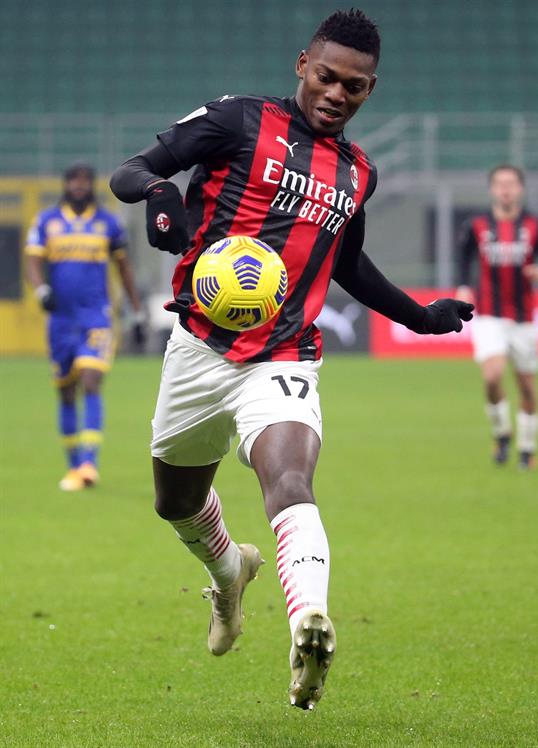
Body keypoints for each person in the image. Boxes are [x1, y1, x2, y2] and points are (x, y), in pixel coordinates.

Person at [109, 9, 473, 711]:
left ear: (371, 89)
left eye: (355, 87)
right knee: (174, 502)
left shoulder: (357, 172)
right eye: (328, 77)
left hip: (285, 354)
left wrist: (420, 316)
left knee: (289, 477)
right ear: (303, 63)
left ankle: (309, 616)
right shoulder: (236, 120)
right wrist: (158, 195)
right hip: (198, 350)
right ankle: (230, 572)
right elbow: (134, 170)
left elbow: (350, 264)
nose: (337, 94)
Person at [25, 162, 145, 491]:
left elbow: (125, 269)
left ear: (92, 186)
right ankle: (74, 465)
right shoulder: (47, 221)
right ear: (65, 185)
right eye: (73, 180)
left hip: (97, 318)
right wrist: (41, 289)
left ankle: (90, 463)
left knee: (91, 381)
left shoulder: (108, 224)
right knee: (65, 392)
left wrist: (136, 313)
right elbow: (33, 262)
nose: (79, 185)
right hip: (60, 322)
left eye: (84, 181)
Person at [456, 165, 538, 469]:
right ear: (492, 190)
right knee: (492, 375)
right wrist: (463, 287)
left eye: (511, 184)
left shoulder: (535, 225)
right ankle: (502, 433)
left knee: (526, 385)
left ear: (520, 189)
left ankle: (526, 450)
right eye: (500, 184)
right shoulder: (477, 226)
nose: (505, 189)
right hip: (488, 315)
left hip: (524, 319)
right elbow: (463, 258)